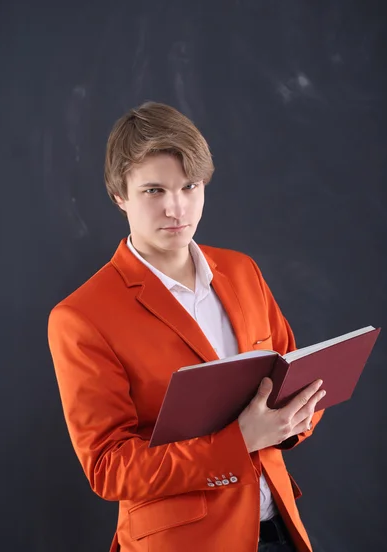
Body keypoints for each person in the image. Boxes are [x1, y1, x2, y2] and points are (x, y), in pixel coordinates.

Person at [48, 102, 325, 552]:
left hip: (279, 530)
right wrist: (240, 440)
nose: (176, 208)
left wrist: (292, 419)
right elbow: (109, 468)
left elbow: (294, 379)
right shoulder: (81, 317)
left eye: (190, 186)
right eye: (154, 191)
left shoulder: (242, 271)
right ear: (120, 196)